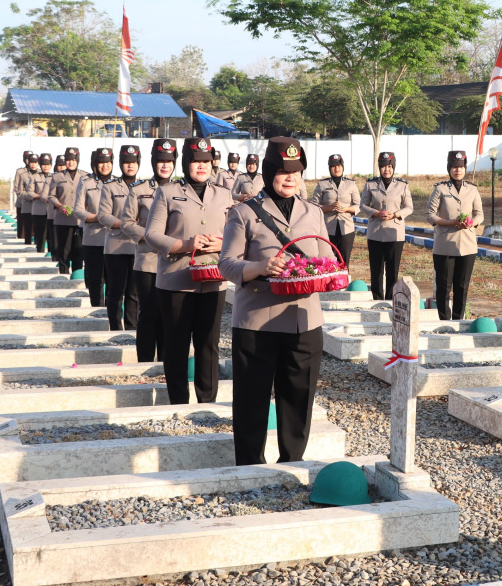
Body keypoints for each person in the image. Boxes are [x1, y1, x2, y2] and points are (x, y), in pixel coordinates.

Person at [219, 136, 334, 466]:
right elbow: (226, 263)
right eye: (283, 171)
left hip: (304, 319)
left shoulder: (312, 211)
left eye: (296, 171)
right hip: (257, 320)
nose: (290, 178)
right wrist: (260, 267)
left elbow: (327, 258)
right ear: (269, 172)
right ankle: (251, 468)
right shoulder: (244, 213)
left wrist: (330, 273)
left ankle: (292, 463)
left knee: (298, 397)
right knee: (252, 399)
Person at [145, 137, 233, 405]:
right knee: (177, 345)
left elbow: (235, 233)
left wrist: (222, 243)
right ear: (186, 164)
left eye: (206, 162)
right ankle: (179, 401)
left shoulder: (224, 194)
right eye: (196, 161)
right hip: (176, 281)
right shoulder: (167, 192)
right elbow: (151, 235)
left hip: (213, 280)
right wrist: (185, 244)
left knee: (209, 344)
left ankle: (207, 403)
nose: (202, 167)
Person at [121, 139, 176, 362]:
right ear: (154, 163)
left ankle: (164, 362)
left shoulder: (180, 190)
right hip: (148, 261)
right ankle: (144, 361)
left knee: (168, 315)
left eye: (169, 162)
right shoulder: (139, 190)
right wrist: (151, 236)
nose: (165, 166)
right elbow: (126, 223)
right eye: (161, 161)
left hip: (173, 261)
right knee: (149, 312)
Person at [426, 151, 484, 320]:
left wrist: (471, 222)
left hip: (467, 244)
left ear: (465, 169)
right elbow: (430, 215)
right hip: (445, 244)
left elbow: (479, 214)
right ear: (449, 169)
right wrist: (451, 222)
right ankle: (445, 320)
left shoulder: (472, 189)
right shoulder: (440, 189)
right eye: (454, 167)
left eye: (460, 167)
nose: (457, 170)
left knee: (462, 285)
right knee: (444, 286)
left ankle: (459, 320)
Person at [98, 145, 143, 330]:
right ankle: (115, 327)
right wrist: (127, 224)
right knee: (116, 290)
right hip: (115, 246)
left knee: (134, 292)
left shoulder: (144, 187)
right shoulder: (110, 187)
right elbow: (103, 215)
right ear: (121, 164)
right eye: (126, 162)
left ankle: (132, 329)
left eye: (133, 162)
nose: (130, 166)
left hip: (136, 245)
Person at [360, 152, 413, 300]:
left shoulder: (403, 185)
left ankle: (391, 300)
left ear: (393, 167)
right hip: (375, 232)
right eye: (383, 166)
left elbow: (409, 207)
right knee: (376, 270)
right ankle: (377, 299)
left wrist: (395, 214)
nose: (386, 170)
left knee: (392, 270)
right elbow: (363, 205)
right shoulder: (371, 184)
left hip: (395, 233)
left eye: (389, 166)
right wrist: (376, 213)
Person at [311, 153, 360, 269]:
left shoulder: (351, 184)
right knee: (328, 260)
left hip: (346, 227)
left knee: (344, 260)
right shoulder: (322, 184)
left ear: (342, 167)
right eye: (333, 166)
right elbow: (313, 205)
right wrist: (329, 208)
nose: (336, 169)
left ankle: (343, 283)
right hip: (328, 227)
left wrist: (346, 209)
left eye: (339, 166)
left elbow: (358, 204)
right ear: (329, 168)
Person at [73, 150, 108, 306]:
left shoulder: (117, 183)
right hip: (93, 238)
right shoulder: (86, 182)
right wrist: (98, 217)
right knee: (95, 278)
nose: (105, 166)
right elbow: (78, 210)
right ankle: (97, 309)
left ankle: (111, 310)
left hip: (114, 239)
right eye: (101, 163)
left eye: (108, 162)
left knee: (113, 279)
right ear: (95, 165)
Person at [48, 147, 87, 275]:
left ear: (78, 160)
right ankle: (63, 274)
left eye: (73, 160)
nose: (71, 162)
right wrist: (59, 206)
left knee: (78, 250)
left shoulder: (85, 176)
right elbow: (51, 196)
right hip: (62, 219)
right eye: (68, 160)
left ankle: (77, 274)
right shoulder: (57, 177)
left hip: (79, 220)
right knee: (64, 249)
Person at [24, 152, 52, 253]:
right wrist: (41, 196)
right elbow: (29, 192)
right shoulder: (35, 177)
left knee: (51, 235)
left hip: (51, 210)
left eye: (48, 165)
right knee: (40, 234)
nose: (46, 167)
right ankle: (40, 252)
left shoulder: (54, 177)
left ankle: (51, 254)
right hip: (38, 209)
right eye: (44, 165)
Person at [46, 155, 65, 260]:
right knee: (54, 239)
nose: (61, 168)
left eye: (63, 165)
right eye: (59, 165)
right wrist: (58, 204)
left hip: (70, 216)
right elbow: (47, 195)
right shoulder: (52, 178)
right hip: (54, 213)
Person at [12, 151, 33, 240]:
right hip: (22, 203)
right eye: (27, 158)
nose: (29, 161)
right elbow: (17, 188)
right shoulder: (20, 172)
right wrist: (28, 196)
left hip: (35, 203)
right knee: (22, 228)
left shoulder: (39, 172)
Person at [19, 154, 39, 245]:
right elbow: (19, 191)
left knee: (37, 227)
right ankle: (27, 244)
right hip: (27, 205)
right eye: (32, 162)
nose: (33, 165)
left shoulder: (41, 175)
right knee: (27, 227)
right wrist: (30, 196)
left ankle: (37, 244)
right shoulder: (23, 175)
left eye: (35, 162)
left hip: (39, 205)